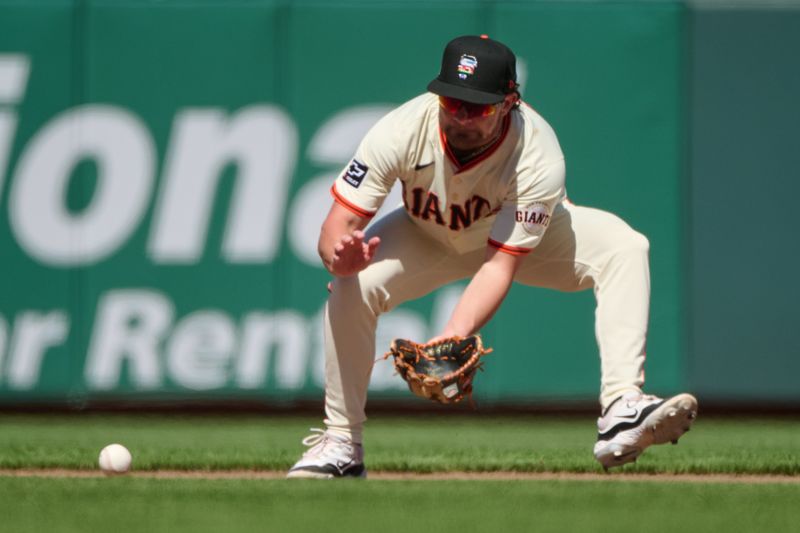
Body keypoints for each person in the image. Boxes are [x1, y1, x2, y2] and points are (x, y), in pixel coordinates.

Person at [286, 35, 697, 478]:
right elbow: (335, 229)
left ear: (509, 102)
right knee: (351, 285)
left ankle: (622, 407)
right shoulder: (400, 130)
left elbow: (499, 265)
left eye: (477, 106)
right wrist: (338, 259)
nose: (460, 116)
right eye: (451, 100)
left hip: (521, 240)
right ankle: (342, 444)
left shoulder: (537, 154)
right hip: (428, 234)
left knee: (624, 246)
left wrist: (451, 335)